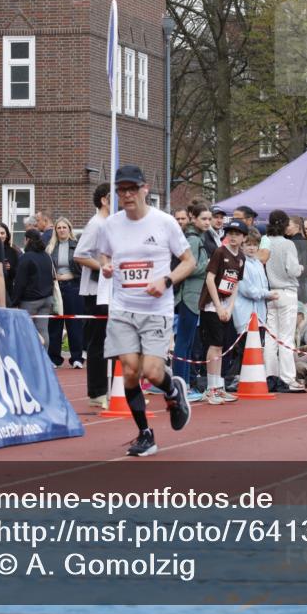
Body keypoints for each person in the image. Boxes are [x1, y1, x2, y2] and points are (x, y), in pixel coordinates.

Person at [99, 165, 195, 457]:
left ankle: (172, 390)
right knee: (129, 371)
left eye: (132, 189)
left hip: (156, 310)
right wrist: (105, 266)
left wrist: (166, 281)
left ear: (144, 189)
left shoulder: (164, 222)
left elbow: (189, 261)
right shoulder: (111, 225)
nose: (127, 195)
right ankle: (145, 434)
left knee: (152, 372)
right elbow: (104, 253)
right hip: (123, 308)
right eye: (122, 190)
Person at [199, 218, 247, 404]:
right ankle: (211, 389)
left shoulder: (241, 258)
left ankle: (218, 387)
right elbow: (210, 279)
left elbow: (235, 284)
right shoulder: (220, 252)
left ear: (243, 237)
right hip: (211, 305)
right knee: (215, 344)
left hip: (226, 306)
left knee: (222, 346)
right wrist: (218, 306)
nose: (233, 237)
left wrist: (230, 307)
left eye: (237, 234)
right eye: (230, 234)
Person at [74, 183, 111, 407]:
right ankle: (97, 393)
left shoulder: (111, 224)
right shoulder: (96, 224)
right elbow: (79, 255)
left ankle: (113, 390)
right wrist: (104, 267)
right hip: (95, 292)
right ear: (105, 200)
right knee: (98, 343)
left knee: (114, 341)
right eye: (116, 196)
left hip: (111, 292)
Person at [263, 210, 306, 393]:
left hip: (270, 292)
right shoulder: (288, 244)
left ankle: (270, 376)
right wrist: (301, 268)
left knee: (271, 337)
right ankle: (288, 378)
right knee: (286, 337)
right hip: (287, 292)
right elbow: (292, 269)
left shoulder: (265, 241)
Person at [172, 202, 211, 402]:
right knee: (183, 342)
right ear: (193, 218)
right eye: (203, 219)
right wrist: (208, 265)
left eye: (209, 219)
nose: (208, 222)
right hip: (188, 296)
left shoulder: (196, 238)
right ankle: (180, 385)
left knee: (186, 343)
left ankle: (184, 383)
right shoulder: (193, 239)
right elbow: (190, 267)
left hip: (193, 296)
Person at [47, 217, 84, 368]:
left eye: (64, 227)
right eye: (59, 228)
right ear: (55, 230)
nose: (62, 230)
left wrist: (67, 276)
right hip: (56, 288)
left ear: (69, 229)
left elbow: (83, 270)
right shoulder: (50, 247)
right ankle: (54, 359)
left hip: (73, 287)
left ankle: (76, 358)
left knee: (74, 323)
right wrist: (55, 277)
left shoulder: (78, 246)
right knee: (55, 323)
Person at [13, 228, 56, 347]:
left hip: (30, 300)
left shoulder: (26, 257)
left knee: (25, 331)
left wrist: (14, 301)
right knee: (43, 330)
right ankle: (43, 356)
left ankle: (29, 356)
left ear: (27, 240)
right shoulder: (47, 256)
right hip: (47, 298)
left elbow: (20, 282)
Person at [234, 227, 276, 344]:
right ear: (242, 245)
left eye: (255, 244)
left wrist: (267, 294)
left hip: (260, 317)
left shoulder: (258, 263)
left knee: (257, 350)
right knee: (243, 351)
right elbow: (248, 290)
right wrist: (267, 294)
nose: (252, 248)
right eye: (248, 244)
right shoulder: (241, 262)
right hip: (244, 317)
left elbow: (264, 286)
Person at [286, 215, 307, 304]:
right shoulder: (306, 243)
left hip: (295, 287)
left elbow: (294, 267)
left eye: (288, 225)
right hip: (304, 287)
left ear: (297, 226)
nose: (286, 227)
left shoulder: (293, 243)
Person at [0, 221, 21, 304]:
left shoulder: (13, 252)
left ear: (7, 235)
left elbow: (17, 273)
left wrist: (10, 268)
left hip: (8, 290)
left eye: (2, 233)